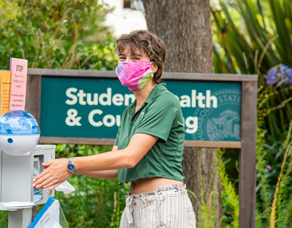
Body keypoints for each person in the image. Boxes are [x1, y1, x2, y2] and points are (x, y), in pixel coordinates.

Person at [33, 30, 196, 227]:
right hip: (134, 206)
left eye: (135, 58)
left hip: (163, 203)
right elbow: (114, 169)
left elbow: (129, 157)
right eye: (122, 58)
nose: (127, 63)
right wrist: (69, 170)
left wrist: (71, 163)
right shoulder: (129, 111)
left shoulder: (164, 101)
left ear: (153, 66)